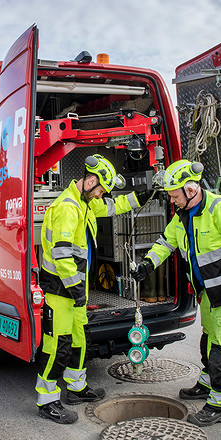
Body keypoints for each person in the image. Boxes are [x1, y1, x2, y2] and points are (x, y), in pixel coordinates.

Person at [131, 159, 221, 426]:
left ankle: (220, 404)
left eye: (175, 196)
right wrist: (147, 264)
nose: (172, 201)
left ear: (191, 190)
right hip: (210, 294)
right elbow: (166, 242)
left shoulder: (219, 209)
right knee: (209, 340)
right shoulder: (183, 217)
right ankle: (208, 383)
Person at [36, 154, 150, 423]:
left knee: (79, 339)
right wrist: (76, 289)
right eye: (99, 190)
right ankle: (47, 400)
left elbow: (113, 206)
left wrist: (141, 197)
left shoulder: (85, 203)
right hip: (61, 290)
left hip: (74, 290)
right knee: (57, 345)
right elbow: (62, 254)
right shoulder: (68, 207)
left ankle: (76, 389)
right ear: (89, 181)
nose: (100, 196)